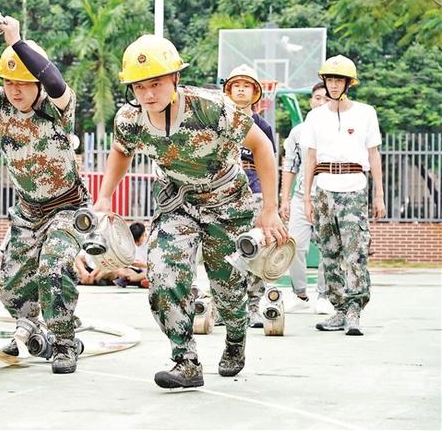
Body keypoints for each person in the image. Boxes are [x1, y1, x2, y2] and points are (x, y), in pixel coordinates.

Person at [94, 35, 288, 389]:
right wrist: (105, 196)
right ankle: (185, 360)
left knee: (227, 289)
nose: (148, 94)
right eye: (139, 87)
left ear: (174, 79)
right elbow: (121, 151)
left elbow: (262, 147)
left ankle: (235, 337)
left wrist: (271, 209)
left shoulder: (211, 107)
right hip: (177, 204)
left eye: (156, 83)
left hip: (227, 202)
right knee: (164, 275)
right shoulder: (131, 118)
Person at [0, 10, 88, 373]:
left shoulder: (56, 109)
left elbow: (55, 81)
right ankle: (34, 327)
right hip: (27, 212)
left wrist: (15, 41)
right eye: (9, 82)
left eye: (22, 82)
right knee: (8, 286)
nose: (15, 90)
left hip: (67, 209)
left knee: (53, 269)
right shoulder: (1, 105)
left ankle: (67, 342)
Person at [301, 55, 385, 336]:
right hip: (324, 187)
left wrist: (379, 195)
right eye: (330, 79)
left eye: (339, 80)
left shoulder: (365, 113)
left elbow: (374, 155)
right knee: (329, 251)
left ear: (349, 83)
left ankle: (354, 309)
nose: (334, 85)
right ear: (324, 82)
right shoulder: (314, 116)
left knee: (355, 250)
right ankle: (338, 308)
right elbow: (310, 158)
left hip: (353, 187)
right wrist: (307, 198)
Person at [223, 65, 277, 328]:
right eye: (236, 85)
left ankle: (254, 305)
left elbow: (268, 163)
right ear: (228, 90)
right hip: (223, 194)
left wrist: (271, 203)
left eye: (247, 85)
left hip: (253, 191)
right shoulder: (218, 120)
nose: (241, 89)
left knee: (255, 248)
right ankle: (225, 308)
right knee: (223, 249)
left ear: (255, 92)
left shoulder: (262, 126)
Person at [280, 82, 334, 315]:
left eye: (325, 98)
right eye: (317, 98)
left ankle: (323, 296)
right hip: (301, 197)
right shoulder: (298, 132)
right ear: (311, 101)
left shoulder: (337, 130)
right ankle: (300, 294)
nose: (320, 101)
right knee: (295, 246)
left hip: (327, 195)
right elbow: (290, 166)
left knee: (327, 248)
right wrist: (285, 199)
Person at [114, 221, 149, 288]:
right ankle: (136, 281)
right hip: (137, 272)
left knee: (148, 274)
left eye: (138, 241)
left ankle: (130, 280)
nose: (136, 243)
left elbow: (156, 266)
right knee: (119, 270)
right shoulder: (128, 242)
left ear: (144, 234)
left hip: (148, 271)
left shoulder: (152, 243)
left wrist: (143, 265)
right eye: (134, 241)